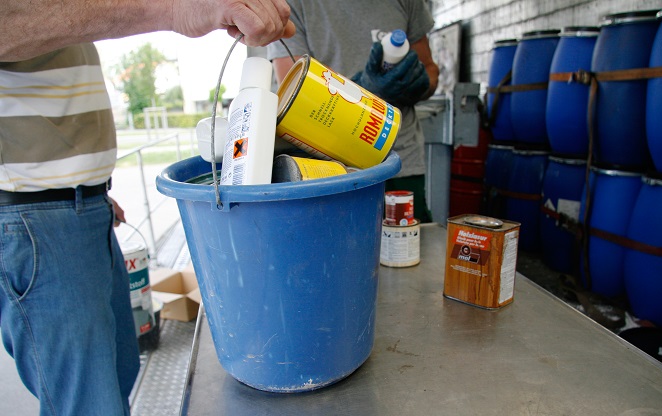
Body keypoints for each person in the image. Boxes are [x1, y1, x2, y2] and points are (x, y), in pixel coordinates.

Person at [0, 1, 294, 415]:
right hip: (35, 219)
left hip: (79, 206)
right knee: (90, 405)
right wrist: (174, 9)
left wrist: (88, 187)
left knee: (119, 375)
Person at [267, 0, 439, 222]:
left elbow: (430, 69)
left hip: (401, 159)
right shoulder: (292, 5)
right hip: (335, 171)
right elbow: (295, 96)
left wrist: (421, 84)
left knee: (407, 249)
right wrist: (365, 89)